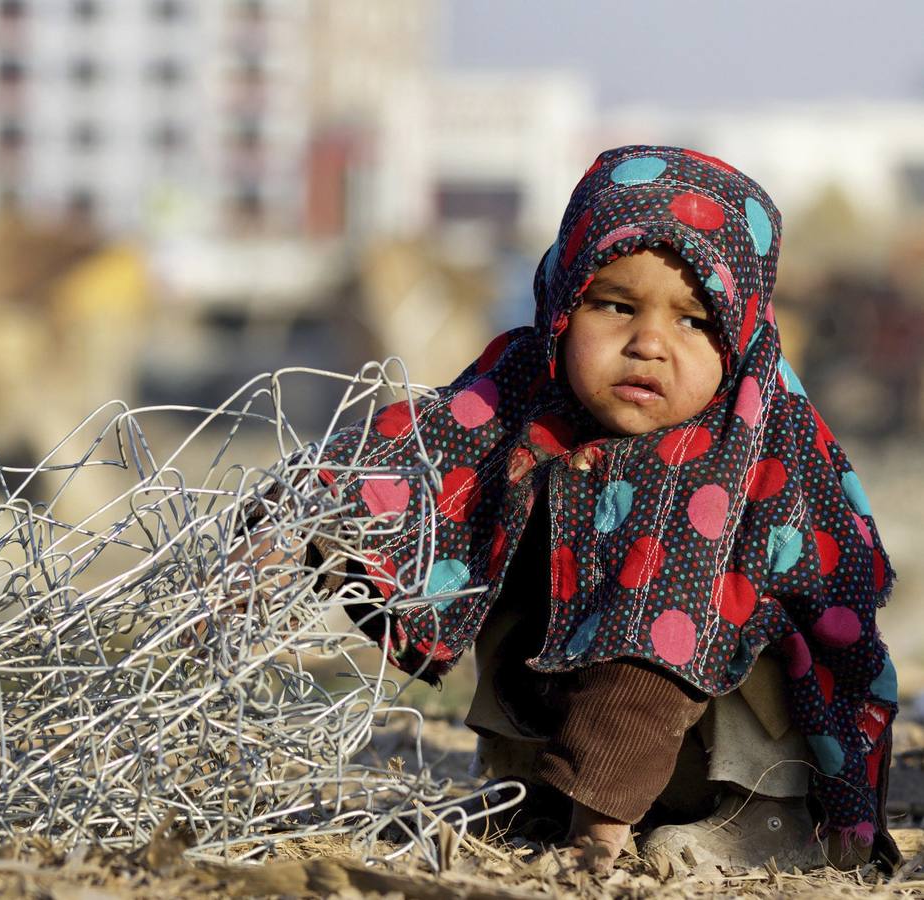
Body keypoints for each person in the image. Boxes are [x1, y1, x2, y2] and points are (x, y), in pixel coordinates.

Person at [231, 145, 899, 875]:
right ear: (561, 299)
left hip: (716, 717)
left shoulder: (731, 446)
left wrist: (596, 836)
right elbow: (405, 460)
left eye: (692, 320)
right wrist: (297, 526)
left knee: (702, 616)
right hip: (588, 709)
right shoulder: (527, 381)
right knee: (495, 548)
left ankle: (764, 820)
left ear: (738, 335)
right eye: (614, 305)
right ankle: (539, 787)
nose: (647, 343)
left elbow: (651, 650)